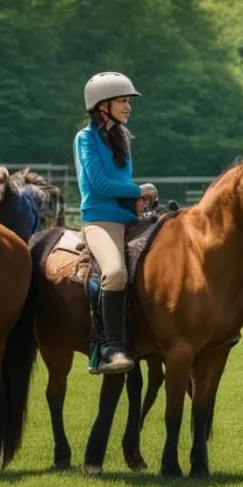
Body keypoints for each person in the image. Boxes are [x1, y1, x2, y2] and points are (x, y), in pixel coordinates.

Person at [75, 72, 156, 375]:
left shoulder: (121, 136)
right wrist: (139, 190)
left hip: (128, 217)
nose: (128, 106)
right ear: (102, 105)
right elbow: (99, 184)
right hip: (99, 219)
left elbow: (120, 181)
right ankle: (110, 348)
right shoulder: (85, 139)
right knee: (115, 272)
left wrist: (137, 199)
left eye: (127, 101)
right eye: (123, 100)